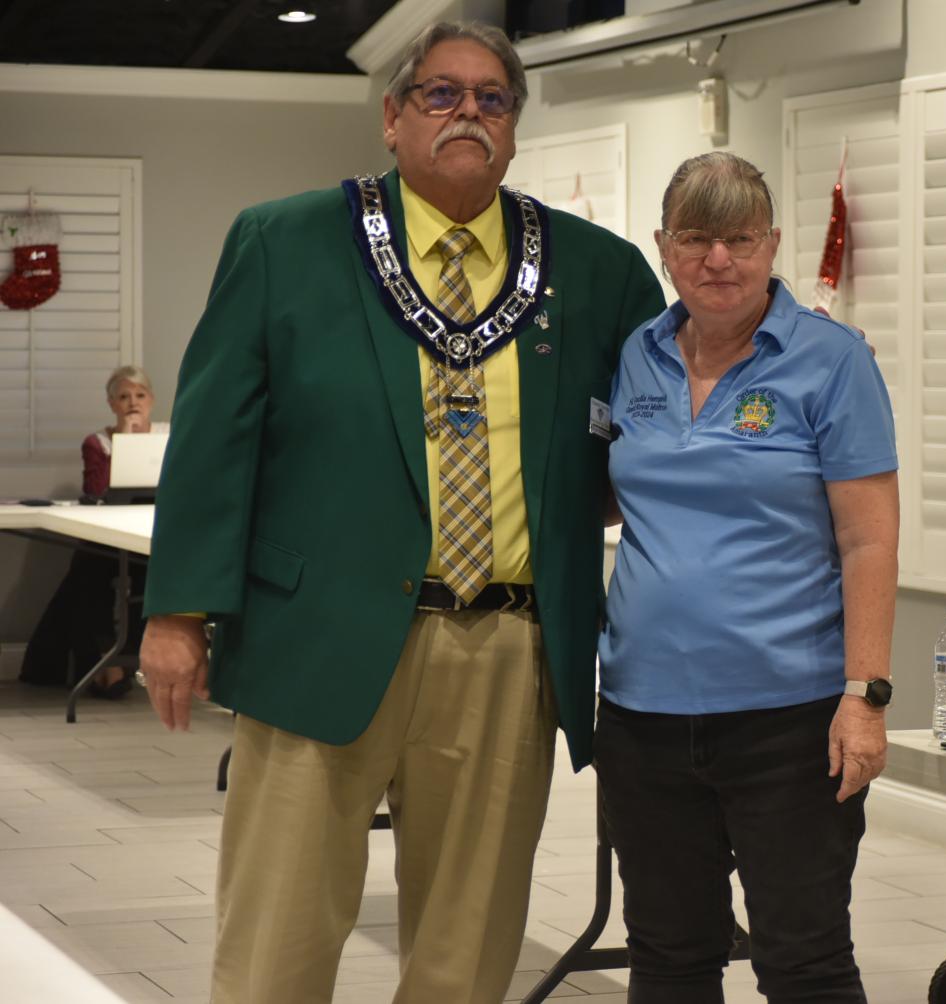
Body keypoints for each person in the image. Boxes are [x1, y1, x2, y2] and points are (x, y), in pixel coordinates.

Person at [136, 21, 663, 1004]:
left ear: (515, 126)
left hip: (506, 649)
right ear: (392, 116)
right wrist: (176, 610)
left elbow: (657, 438)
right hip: (317, 632)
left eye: (492, 99)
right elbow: (213, 442)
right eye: (441, 94)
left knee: (468, 952)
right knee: (277, 941)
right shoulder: (286, 243)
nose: (468, 113)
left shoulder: (599, 270)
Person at [595, 151, 900, 1003]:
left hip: (789, 721)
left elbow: (869, 542)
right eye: (696, 239)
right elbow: (609, 497)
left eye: (739, 238)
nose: (718, 260)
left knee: (803, 960)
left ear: (772, 243)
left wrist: (865, 696)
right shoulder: (636, 356)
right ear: (664, 248)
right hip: (643, 717)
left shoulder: (831, 361)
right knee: (668, 955)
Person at [19, 365, 159, 695]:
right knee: (87, 571)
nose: (133, 403)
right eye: (123, 397)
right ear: (111, 404)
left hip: (152, 534)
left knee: (153, 575)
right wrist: (125, 440)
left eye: (140, 395)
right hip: (106, 534)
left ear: (151, 400)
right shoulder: (98, 442)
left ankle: (134, 660)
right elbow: (96, 490)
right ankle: (104, 660)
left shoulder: (167, 436)